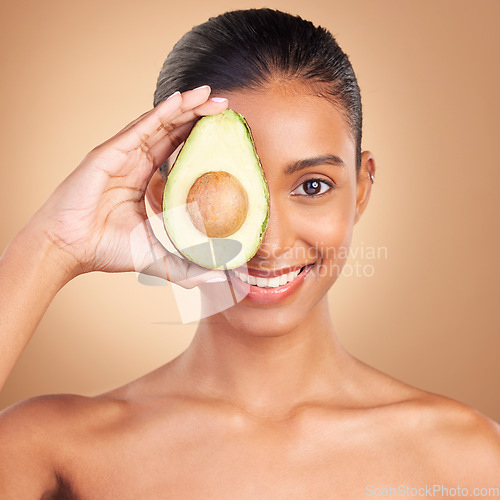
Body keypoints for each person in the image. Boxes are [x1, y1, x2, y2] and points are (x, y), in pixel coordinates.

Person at [0, 8, 498, 498]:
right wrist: (53, 243)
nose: (270, 243)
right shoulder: (51, 450)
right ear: (162, 199)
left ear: (362, 189)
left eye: (313, 185)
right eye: (226, 190)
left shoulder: (470, 460)